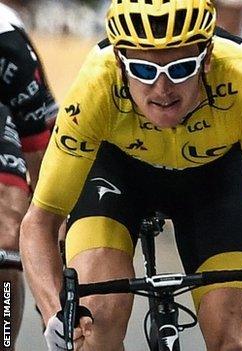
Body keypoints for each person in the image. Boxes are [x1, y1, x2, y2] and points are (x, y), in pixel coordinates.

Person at [19, 1, 242, 350]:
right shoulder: (96, 84)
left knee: (231, 339)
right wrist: (56, 313)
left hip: (214, 180)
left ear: (208, 58)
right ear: (119, 64)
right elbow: (39, 223)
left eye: (182, 68)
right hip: (118, 173)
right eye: (142, 70)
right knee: (94, 324)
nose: (162, 88)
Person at [0, 2, 58, 348]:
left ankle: (4, 339)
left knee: (8, 233)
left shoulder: (8, 46)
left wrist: (49, 234)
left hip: (3, 109)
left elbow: (40, 155)